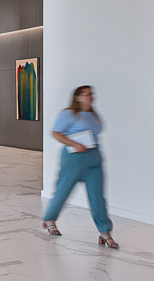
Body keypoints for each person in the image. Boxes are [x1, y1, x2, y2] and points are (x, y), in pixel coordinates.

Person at [41, 86, 118, 248]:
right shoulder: (68, 113)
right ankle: (50, 219)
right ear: (77, 97)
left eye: (91, 94)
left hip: (94, 157)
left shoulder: (93, 114)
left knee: (97, 197)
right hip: (74, 157)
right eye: (86, 94)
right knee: (63, 191)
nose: (91, 97)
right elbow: (55, 133)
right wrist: (74, 144)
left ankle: (104, 232)